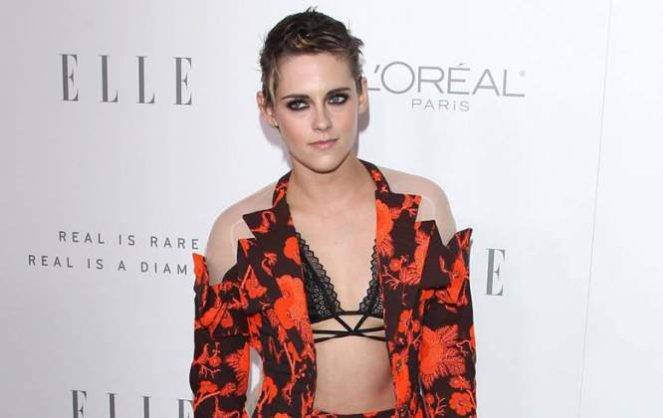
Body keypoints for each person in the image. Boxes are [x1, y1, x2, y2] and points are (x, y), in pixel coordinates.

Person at [189, 7, 476, 418]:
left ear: (362, 94)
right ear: (268, 109)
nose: (322, 122)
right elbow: (217, 388)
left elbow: (450, 372)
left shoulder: (420, 211)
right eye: (298, 104)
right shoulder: (241, 233)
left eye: (336, 98)